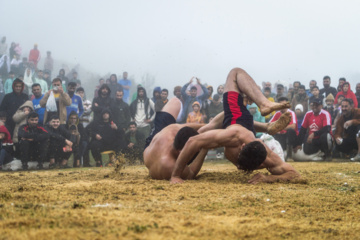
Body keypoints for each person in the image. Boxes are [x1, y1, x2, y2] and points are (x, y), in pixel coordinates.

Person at [170, 67, 298, 184]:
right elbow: (295, 175)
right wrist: (268, 178)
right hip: (240, 123)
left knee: (235, 73)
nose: (238, 168)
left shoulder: (234, 137)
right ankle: (266, 122)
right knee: (207, 129)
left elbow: (193, 141)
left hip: (237, 123)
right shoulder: (266, 157)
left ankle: (265, 115)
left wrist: (175, 175)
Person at [143, 97, 207, 180]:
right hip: (155, 152)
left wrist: (207, 126)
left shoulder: (171, 130)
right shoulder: (170, 166)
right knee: (201, 141)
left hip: (155, 142)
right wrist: (204, 149)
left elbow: (184, 127)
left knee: (175, 101)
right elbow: (190, 174)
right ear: (181, 152)